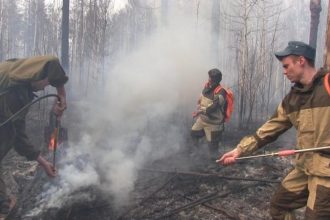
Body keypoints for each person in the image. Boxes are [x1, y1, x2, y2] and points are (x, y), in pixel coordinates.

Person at [218, 41, 330, 219]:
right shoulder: (292, 99)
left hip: (326, 173)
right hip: (305, 168)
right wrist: (240, 150)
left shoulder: (327, 84)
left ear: (301, 61)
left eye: (287, 66)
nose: (284, 71)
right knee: (279, 206)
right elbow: (269, 129)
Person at [0, 55, 68, 219]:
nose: (46, 86)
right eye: (46, 81)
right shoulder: (14, 73)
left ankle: (3, 206)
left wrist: (43, 163)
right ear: (34, 74)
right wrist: (62, 94)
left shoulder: (20, 91)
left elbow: (18, 137)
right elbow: (51, 62)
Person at [191, 68, 227, 159]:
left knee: (213, 150)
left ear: (214, 80)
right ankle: (197, 152)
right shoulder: (207, 87)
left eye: (210, 78)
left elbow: (213, 108)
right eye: (209, 77)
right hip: (202, 120)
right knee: (194, 133)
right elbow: (202, 97)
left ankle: (215, 164)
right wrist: (199, 104)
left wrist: (199, 111)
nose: (208, 79)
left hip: (213, 124)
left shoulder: (221, 92)